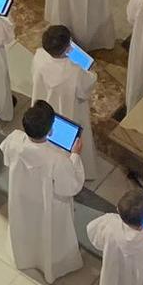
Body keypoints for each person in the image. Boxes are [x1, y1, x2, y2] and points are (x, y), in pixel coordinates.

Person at [3, 99, 85, 279]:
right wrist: (75, 156)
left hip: (22, 196)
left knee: (26, 226)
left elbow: (7, 157)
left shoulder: (15, 139)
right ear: (50, 131)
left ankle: (25, 257)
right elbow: (71, 186)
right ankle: (53, 265)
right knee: (49, 234)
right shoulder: (56, 159)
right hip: (48, 205)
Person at [30, 25, 97, 177]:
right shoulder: (74, 70)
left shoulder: (39, 56)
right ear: (68, 47)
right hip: (70, 111)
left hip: (44, 110)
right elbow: (86, 87)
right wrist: (92, 72)